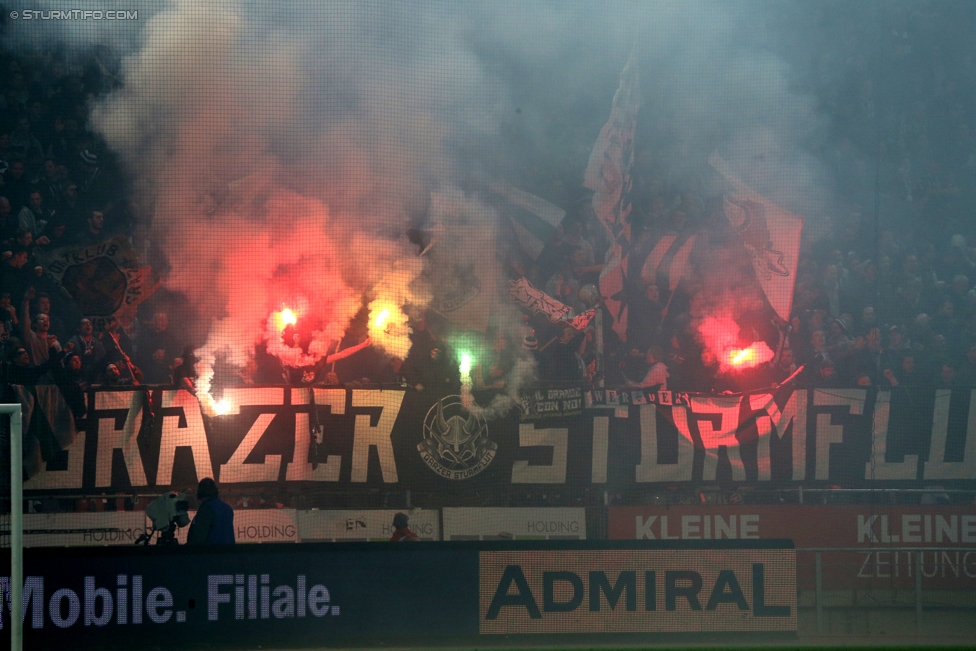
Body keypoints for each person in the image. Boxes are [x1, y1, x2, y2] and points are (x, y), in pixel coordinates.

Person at [187, 478, 235, 545]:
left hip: (210, 553)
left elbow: (198, 537)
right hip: (228, 553)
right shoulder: (227, 508)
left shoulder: (206, 508)